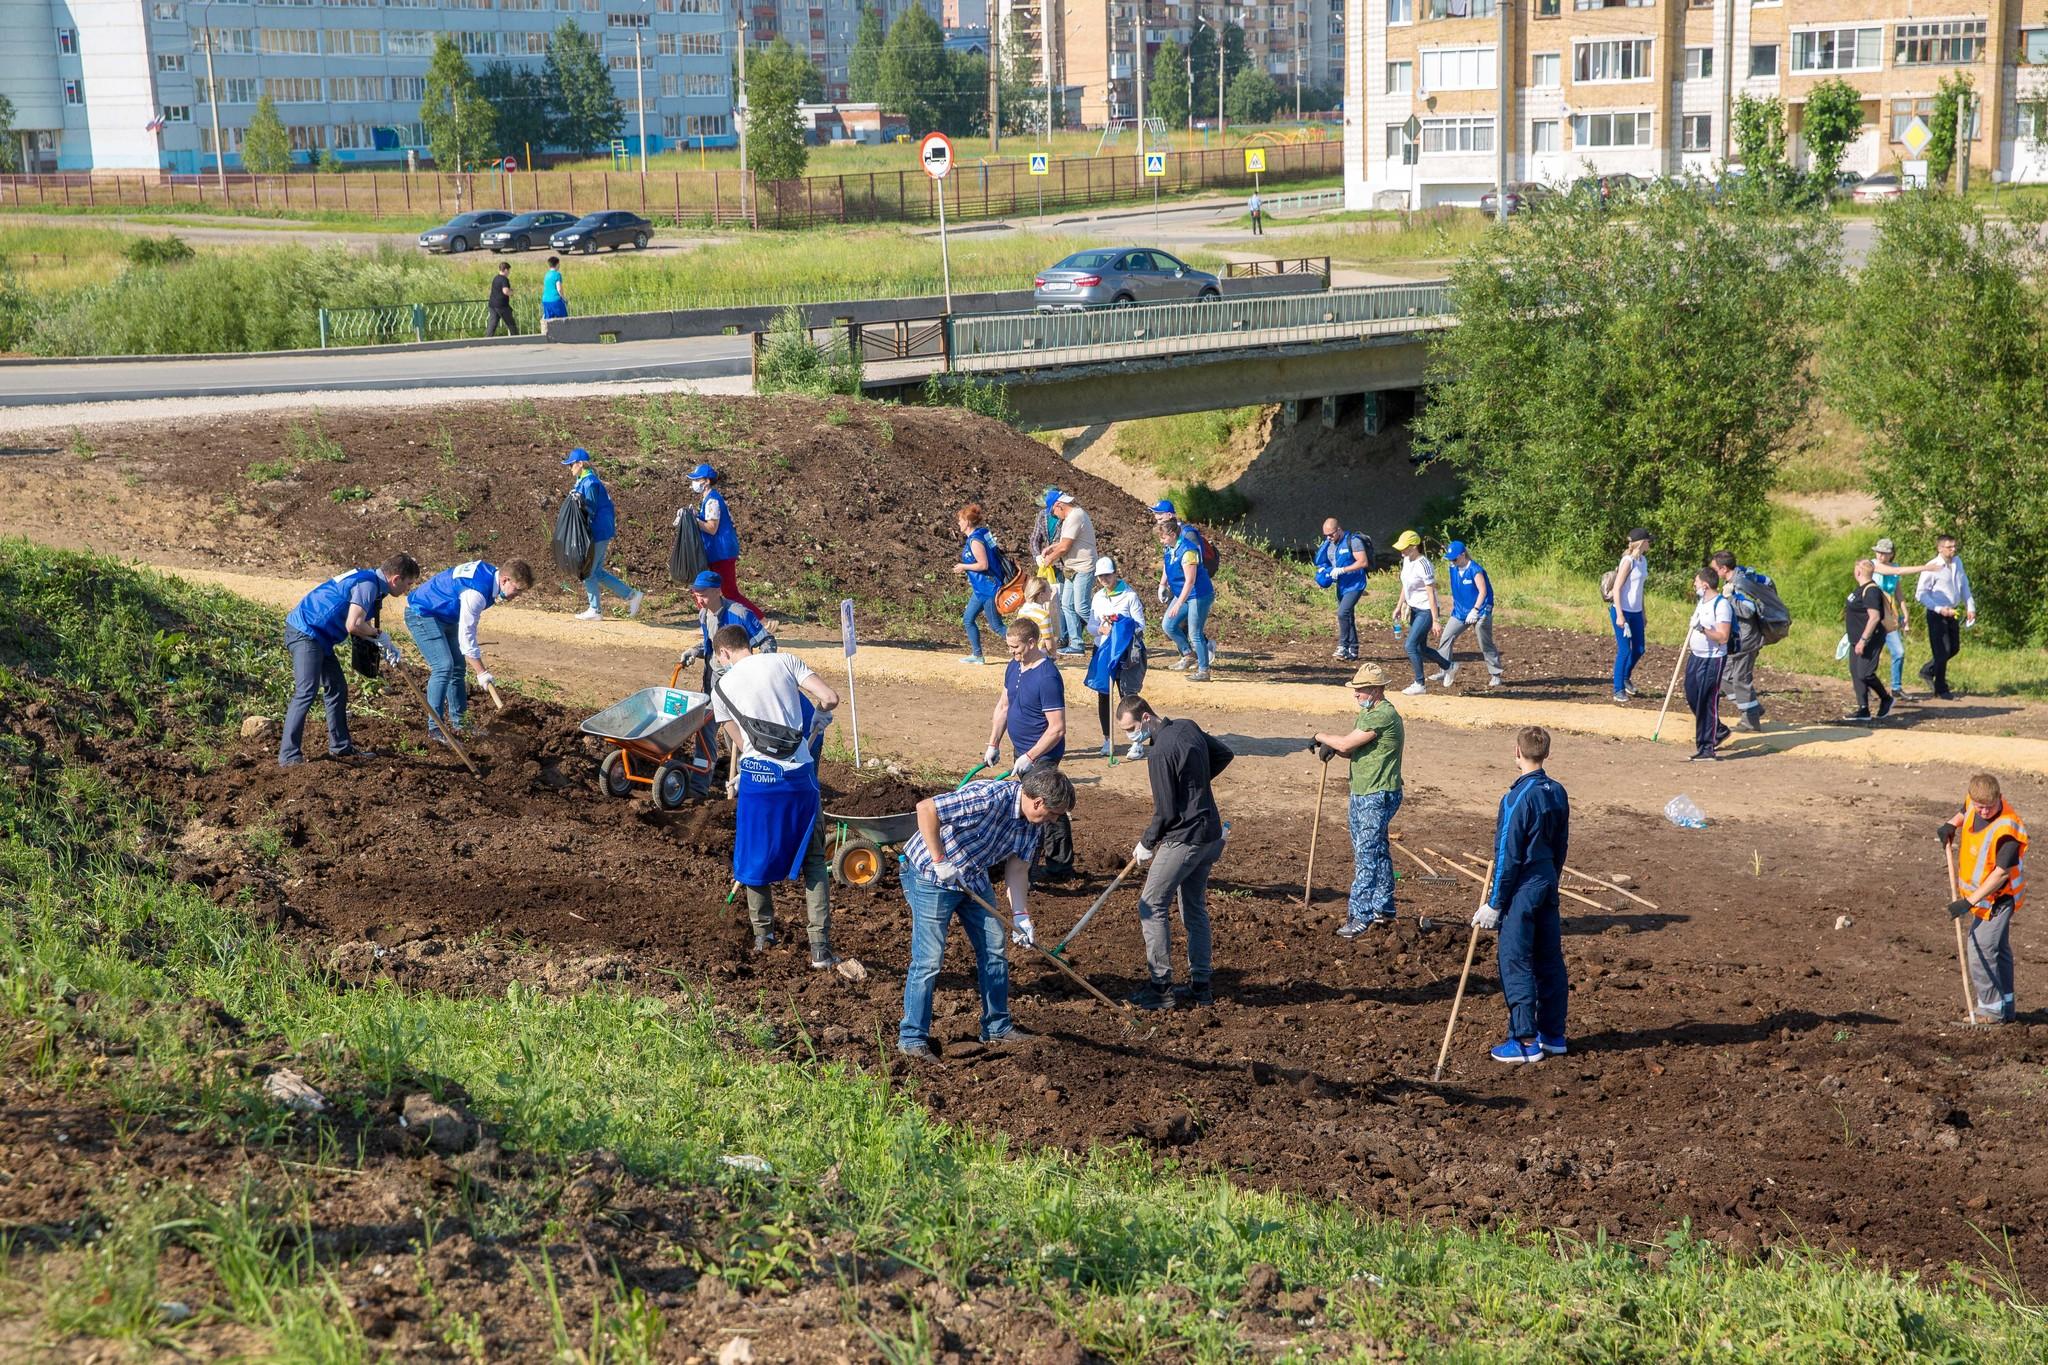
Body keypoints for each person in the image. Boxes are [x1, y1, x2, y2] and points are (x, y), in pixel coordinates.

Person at [896, 767, 1078, 1059]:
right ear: (1038, 802)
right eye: (1055, 814)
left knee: (995, 949)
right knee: (929, 959)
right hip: (931, 874)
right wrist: (940, 860)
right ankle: (912, 1037)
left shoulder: (1033, 824)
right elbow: (926, 808)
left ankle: (996, 1026)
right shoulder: (988, 797)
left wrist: (1021, 915)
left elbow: (1018, 868)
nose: (1055, 820)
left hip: (973, 877)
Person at [709, 624, 842, 964]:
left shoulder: (721, 688)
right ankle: (820, 949)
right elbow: (829, 697)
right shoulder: (785, 661)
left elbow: (740, 742)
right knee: (813, 860)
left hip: (758, 782)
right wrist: (820, 718)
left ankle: (762, 936)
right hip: (799, 777)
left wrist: (745, 773)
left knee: (754, 858)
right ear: (748, 644)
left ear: (724, 653)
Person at [1117, 695, 1234, 1009]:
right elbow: (1224, 753)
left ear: (1145, 718)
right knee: (1193, 906)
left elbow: (1165, 812)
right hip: (1210, 831)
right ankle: (1201, 986)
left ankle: (1161, 988)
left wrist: (1146, 843)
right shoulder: (1187, 726)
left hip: (1185, 840)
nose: (1130, 737)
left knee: (1151, 905)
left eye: (1130, 729)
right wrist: (1194, 787)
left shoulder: (1159, 753)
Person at [1472, 726, 1571, 1064]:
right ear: (1546, 753)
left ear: (1517, 752)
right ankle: (1553, 1034)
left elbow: (1508, 854)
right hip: (1546, 881)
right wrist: (1552, 880)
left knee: (1515, 959)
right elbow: (1561, 845)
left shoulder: (1516, 797)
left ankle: (1525, 1040)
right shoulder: (1557, 791)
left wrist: (1494, 903)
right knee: (1549, 958)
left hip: (1524, 888)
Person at [279, 554, 419, 767]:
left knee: (337, 688)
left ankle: (341, 747)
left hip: (320, 637)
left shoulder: (372, 582)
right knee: (306, 690)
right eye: (408, 584)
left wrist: (383, 645)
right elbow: (353, 624)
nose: (407, 590)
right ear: (396, 579)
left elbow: (362, 622)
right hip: (305, 632)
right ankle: (289, 756)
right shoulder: (368, 585)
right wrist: (379, 635)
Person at [1311, 661, 1405, 938]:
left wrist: (1320, 736)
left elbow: (1346, 744)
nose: (1356, 695)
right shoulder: (1371, 714)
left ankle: (1359, 916)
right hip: (1364, 790)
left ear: (1376, 690)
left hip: (1376, 794)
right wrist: (1334, 748)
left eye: (1360, 690)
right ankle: (1383, 906)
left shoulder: (1382, 715)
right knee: (1376, 849)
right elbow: (1354, 751)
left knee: (1366, 854)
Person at [403, 559, 534, 742]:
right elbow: (467, 637)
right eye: (517, 590)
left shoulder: (491, 578)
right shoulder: (477, 592)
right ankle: (435, 729)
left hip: (445, 615)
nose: (517, 595)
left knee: (457, 668)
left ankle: (461, 724)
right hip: (422, 613)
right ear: (505, 580)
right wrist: (482, 672)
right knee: (443, 666)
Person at [984, 619, 1074, 880]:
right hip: (1022, 751)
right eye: (1009, 647)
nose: (1012, 652)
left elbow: (1057, 728)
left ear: (1032, 642)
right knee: (1032, 805)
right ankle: (1029, 859)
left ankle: (1058, 867)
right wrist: (993, 743)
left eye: (1016, 647)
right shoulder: (1014, 666)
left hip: (1042, 755)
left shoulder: (1047, 677)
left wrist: (1031, 756)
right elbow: (1003, 706)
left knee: (1047, 805)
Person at [1939, 772, 2025, 1025]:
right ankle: (2005, 1008)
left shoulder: (2007, 830)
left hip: (1998, 899)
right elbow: (1965, 809)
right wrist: (1951, 824)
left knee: (1980, 948)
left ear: (1999, 798)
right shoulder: (1974, 802)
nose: (1984, 811)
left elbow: (2000, 875)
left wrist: (1968, 902)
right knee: (1999, 951)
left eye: (1989, 807)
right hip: (1983, 898)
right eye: (1980, 807)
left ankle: (1990, 1012)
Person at [564, 449, 642, 622]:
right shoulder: (583, 480)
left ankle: (595, 610)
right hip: (601, 530)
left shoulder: (590, 482)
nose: (569, 468)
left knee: (588, 571)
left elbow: (589, 510)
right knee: (596, 571)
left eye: (571, 464)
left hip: (597, 531)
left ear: (580, 464)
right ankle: (631, 595)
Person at [1084, 555, 1148, 760]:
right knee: (1104, 695)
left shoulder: (1129, 595)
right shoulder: (1098, 597)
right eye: (1100, 576)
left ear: (1115, 573)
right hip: (1102, 651)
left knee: (1127, 696)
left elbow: (1140, 625)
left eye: (1107, 575)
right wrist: (1100, 630)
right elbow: (1091, 626)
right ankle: (1107, 739)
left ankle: (1137, 741)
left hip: (1124, 652)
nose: (1104, 579)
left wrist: (1122, 626)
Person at [679, 462, 762, 617]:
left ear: (707, 481)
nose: (695, 483)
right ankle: (710, 620)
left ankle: (761, 621)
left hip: (721, 552)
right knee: (701, 588)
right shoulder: (708, 500)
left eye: (698, 479)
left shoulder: (712, 501)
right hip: (715, 552)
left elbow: (711, 528)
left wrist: (693, 520)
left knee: (729, 592)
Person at [679, 569, 773, 690]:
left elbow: (767, 640)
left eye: (703, 596)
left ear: (718, 591)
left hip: (738, 681)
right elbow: (713, 644)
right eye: (696, 595)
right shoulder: (704, 613)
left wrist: (760, 669)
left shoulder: (740, 614)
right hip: (713, 677)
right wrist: (694, 651)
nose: (699, 601)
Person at [1154, 505, 1216, 682]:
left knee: (1195, 633)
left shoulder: (1188, 551)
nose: (1161, 541)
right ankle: (1188, 655)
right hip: (1183, 594)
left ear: (1172, 535)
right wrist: (1162, 584)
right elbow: (1167, 565)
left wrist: (1179, 604)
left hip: (1198, 595)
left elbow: (1190, 581)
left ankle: (1204, 670)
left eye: (1163, 537)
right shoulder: (1170, 548)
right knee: (1169, 625)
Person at [1709, 551, 1767, 732]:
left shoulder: (1739, 584)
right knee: (1725, 676)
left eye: (1715, 569)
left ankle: (1750, 721)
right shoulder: (1732, 581)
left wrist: (1730, 598)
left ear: (1724, 568)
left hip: (1746, 639)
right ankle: (1753, 708)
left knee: (1740, 678)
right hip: (1737, 639)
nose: (1713, 573)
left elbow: (1749, 610)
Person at [1037, 490, 1097, 659]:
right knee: (1066, 605)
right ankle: (1077, 644)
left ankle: (1106, 631)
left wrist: (1049, 559)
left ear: (1059, 505)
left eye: (1053, 511)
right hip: (1072, 568)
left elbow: (1065, 547)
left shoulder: (1075, 516)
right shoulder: (1071, 518)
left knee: (1081, 606)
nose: (1054, 515)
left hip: (1083, 567)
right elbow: (1065, 541)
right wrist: (1052, 547)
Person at [1682, 565, 1734, 762]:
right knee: (1692, 695)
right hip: (1696, 656)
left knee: (1706, 701)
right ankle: (1718, 730)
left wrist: (1702, 629)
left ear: (1704, 585)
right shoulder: (1702, 601)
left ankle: (1706, 748)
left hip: (1712, 660)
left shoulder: (1721, 606)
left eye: (1696, 582)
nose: (1694, 585)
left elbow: (1722, 637)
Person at [1390, 530, 1451, 695]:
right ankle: (1449, 666)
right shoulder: (1406, 560)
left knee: (1410, 645)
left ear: (1415, 546)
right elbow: (1406, 585)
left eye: (1405, 547)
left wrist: (1435, 620)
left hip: (1426, 610)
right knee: (1421, 647)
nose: (1401, 550)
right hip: (1414, 609)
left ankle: (1419, 684)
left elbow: (1431, 593)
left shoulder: (1424, 564)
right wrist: (1399, 605)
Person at [1436, 540, 1503, 689]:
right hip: (1460, 611)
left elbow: (1483, 591)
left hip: (1480, 610)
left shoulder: (1475, 570)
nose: (1452, 561)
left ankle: (1495, 674)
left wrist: (1475, 609)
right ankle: (1445, 669)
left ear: (1463, 555)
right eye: (1450, 559)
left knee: (1484, 642)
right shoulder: (1453, 568)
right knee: (1446, 638)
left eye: (1455, 558)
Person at [1915, 534, 1974, 701]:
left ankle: (1928, 670)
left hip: (1952, 611)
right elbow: (1921, 594)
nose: (1953, 550)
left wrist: (1970, 606)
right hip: (1937, 613)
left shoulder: (1957, 562)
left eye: (1954, 546)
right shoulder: (1932, 566)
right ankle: (1941, 688)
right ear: (1940, 548)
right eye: (1949, 547)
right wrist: (1939, 609)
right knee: (1942, 650)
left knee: (1954, 648)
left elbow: (1964, 586)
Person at [1841, 559, 1894, 723]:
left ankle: (1886, 698)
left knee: (1865, 673)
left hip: (1869, 639)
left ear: (1857, 572)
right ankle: (1863, 709)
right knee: (1856, 673)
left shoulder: (1871, 591)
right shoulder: (1861, 589)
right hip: (1855, 639)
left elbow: (1874, 617)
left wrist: (1863, 640)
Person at [954, 503, 1005, 665]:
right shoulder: (979, 534)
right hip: (980, 589)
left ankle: (1030, 646)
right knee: (968, 619)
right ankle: (977, 655)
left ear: (968, 522)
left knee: (997, 627)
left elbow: (983, 565)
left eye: (960, 520)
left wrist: (963, 566)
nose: (959, 523)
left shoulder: (976, 540)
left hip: (988, 589)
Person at [1314, 518, 1371, 662]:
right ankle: (1353, 649)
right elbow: (1326, 561)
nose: (1329, 538)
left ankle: (1343, 646)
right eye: (1326, 535)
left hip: (1355, 584)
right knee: (1348, 616)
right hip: (1341, 585)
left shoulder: (1354, 541)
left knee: (1342, 612)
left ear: (1339, 529)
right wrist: (1325, 572)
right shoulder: (1330, 544)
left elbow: (1363, 562)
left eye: (1331, 534)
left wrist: (1342, 570)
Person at [1609, 528, 1651, 704]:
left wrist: (1643, 613)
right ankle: (1618, 689)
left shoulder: (1643, 561)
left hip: (1636, 612)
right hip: (1622, 611)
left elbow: (1639, 590)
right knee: (1625, 650)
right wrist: (1619, 615)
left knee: (1639, 648)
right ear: (1641, 542)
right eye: (1648, 541)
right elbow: (1617, 588)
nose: (1650, 543)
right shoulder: (1627, 561)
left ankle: (1626, 677)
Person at [1026, 487, 1067, 650]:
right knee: (1047, 600)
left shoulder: (1065, 518)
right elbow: (1034, 539)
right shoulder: (1042, 515)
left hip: (1062, 565)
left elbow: (1065, 543)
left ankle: (1064, 636)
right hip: (1046, 564)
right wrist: (1037, 556)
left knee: (1064, 602)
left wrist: (1052, 556)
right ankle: (1050, 634)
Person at [1871, 538, 1912, 698]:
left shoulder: (1895, 569)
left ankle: (1896, 687)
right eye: (1879, 552)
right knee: (1871, 652)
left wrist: (1905, 615)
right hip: (1873, 614)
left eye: (1885, 553)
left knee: (1899, 652)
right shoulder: (1872, 565)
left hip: (1889, 615)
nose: (1881, 555)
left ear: (1891, 555)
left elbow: (1899, 594)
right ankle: (1866, 686)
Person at [486, 262, 518, 336]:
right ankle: (516, 338)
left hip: (492, 305)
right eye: (509, 271)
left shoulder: (495, 278)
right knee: (511, 324)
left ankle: (487, 339)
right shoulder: (504, 279)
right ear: (506, 270)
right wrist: (512, 292)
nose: (509, 272)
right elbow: (505, 291)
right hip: (502, 306)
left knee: (492, 324)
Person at [540, 256, 567, 321]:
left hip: (545, 300)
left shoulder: (546, 274)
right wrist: (564, 298)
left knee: (549, 321)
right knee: (563, 319)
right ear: (557, 264)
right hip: (555, 300)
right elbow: (559, 289)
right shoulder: (557, 274)